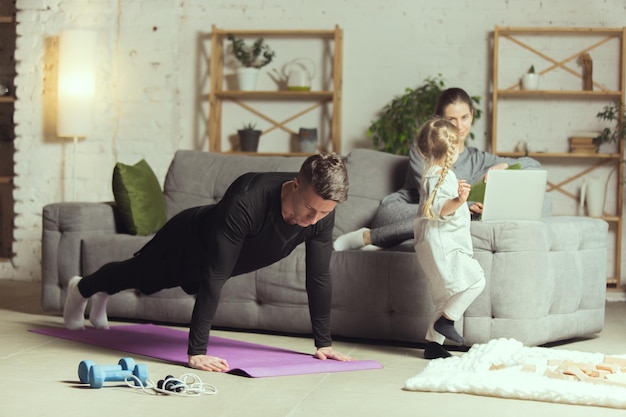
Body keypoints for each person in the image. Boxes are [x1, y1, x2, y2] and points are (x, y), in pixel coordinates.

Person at [63, 153, 354, 372]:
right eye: (310, 208)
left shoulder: (321, 213)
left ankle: (100, 293)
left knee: (145, 280)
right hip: (186, 240)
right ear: (295, 184)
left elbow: (318, 277)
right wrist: (197, 352)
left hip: (215, 258)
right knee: (143, 278)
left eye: (324, 213)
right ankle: (84, 288)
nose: (314, 220)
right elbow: (215, 276)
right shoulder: (248, 198)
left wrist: (323, 343)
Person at [333, 87, 541, 251]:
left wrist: (504, 166)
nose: (459, 126)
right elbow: (433, 192)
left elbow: (534, 165)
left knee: (456, 220)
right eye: (451, 119)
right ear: (439, 120)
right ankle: (369, 236)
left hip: (444, 219)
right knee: (443, 215)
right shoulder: (424, 149)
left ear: (472, 116)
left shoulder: (479, 158)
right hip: (405, 211)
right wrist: (463, 204)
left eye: (465, 117)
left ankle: (386, 244)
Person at [412, 117, 486, 359]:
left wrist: (458, 194)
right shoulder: (438, 176)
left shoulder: (435, 174)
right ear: (452, 152)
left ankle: (433, 345)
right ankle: (447, 320)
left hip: (437, 244)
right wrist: (459, 201)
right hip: (443, 246)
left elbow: (438, 201)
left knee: (447, 296)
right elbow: (438, 209)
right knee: (476, 280)